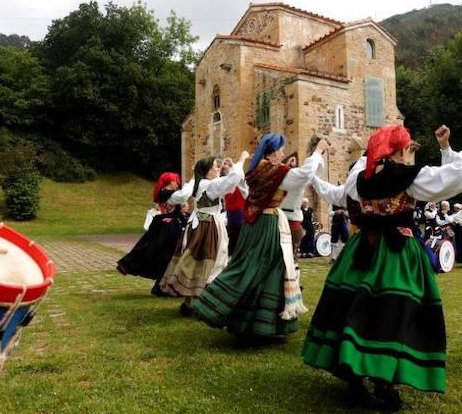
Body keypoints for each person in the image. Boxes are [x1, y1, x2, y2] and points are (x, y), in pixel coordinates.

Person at [302, 122, 462, 410]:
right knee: (393, 312)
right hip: (396, 251)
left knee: (350, 307)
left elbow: (337, 195)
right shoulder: (408, 177)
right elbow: (456, 177)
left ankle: (354, 377)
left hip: (360, 250)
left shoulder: (359, 175)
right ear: (401, 150)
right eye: (406, 149)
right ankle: (384, 382)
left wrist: (315, 175)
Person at [191, 135, 329, 338]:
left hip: (252, 225)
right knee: (267, 269)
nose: (283, 154)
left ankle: (248, 322)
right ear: (272, 153)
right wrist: (317, 152)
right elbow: (303, 175)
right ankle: (223, 309)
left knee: (252, 267)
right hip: (266, 225)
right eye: (281, 150)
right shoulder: (275, 171)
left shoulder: (255, 170)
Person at [160, 153, 248, 313]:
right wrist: (241, 160)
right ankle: (203, 303)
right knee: (211, 260)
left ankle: (189, 303)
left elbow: (230, 182)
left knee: (198, 260)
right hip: (208, 226)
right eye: (215, 166)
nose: (218, 168)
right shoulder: (208, 185)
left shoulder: (201, 183)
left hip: (200, 224)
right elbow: (232, 179)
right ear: (207, 171)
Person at [117, 172, 187, 295]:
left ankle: (162, 286)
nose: (178, 183)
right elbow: (177, 206)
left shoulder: (165, 192)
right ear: (171, 182)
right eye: (176, 181)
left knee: (165, 255)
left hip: (167, 225)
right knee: (165, 255)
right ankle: (161, 286)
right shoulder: (166, 193)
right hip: (168, 228)